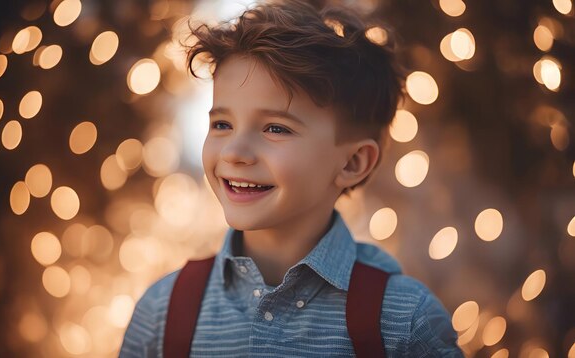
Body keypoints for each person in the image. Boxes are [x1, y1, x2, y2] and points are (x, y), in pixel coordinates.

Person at [120, 0, 463, 356]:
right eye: (222, 124)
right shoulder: (161, 314)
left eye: (275, 128)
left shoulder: (405, 324)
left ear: (353, 162)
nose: (234, 152)